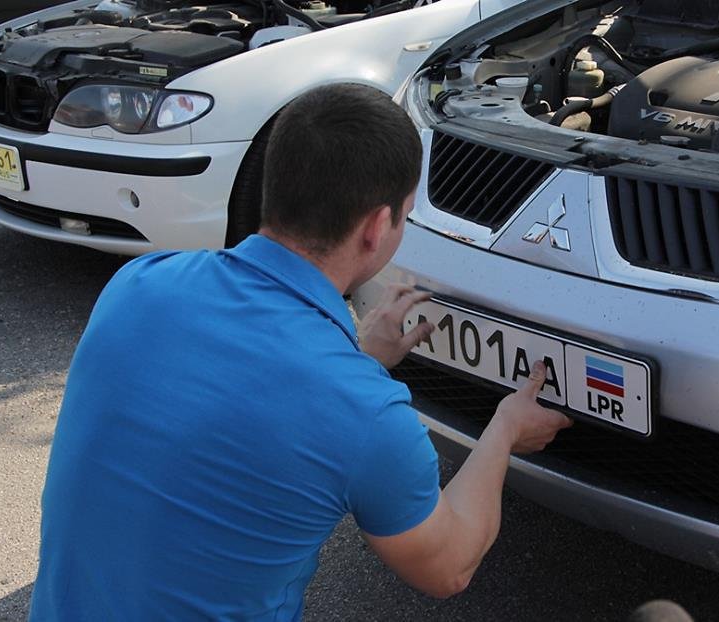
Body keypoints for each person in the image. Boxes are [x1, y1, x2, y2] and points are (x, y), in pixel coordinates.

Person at [28, 83, 573, 621]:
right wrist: (504, 428)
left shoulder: (138, 283)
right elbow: (449, 567)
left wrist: (357, 358)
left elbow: (248, 392)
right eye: (405, 215)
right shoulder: (365, 414)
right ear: (378, 225)